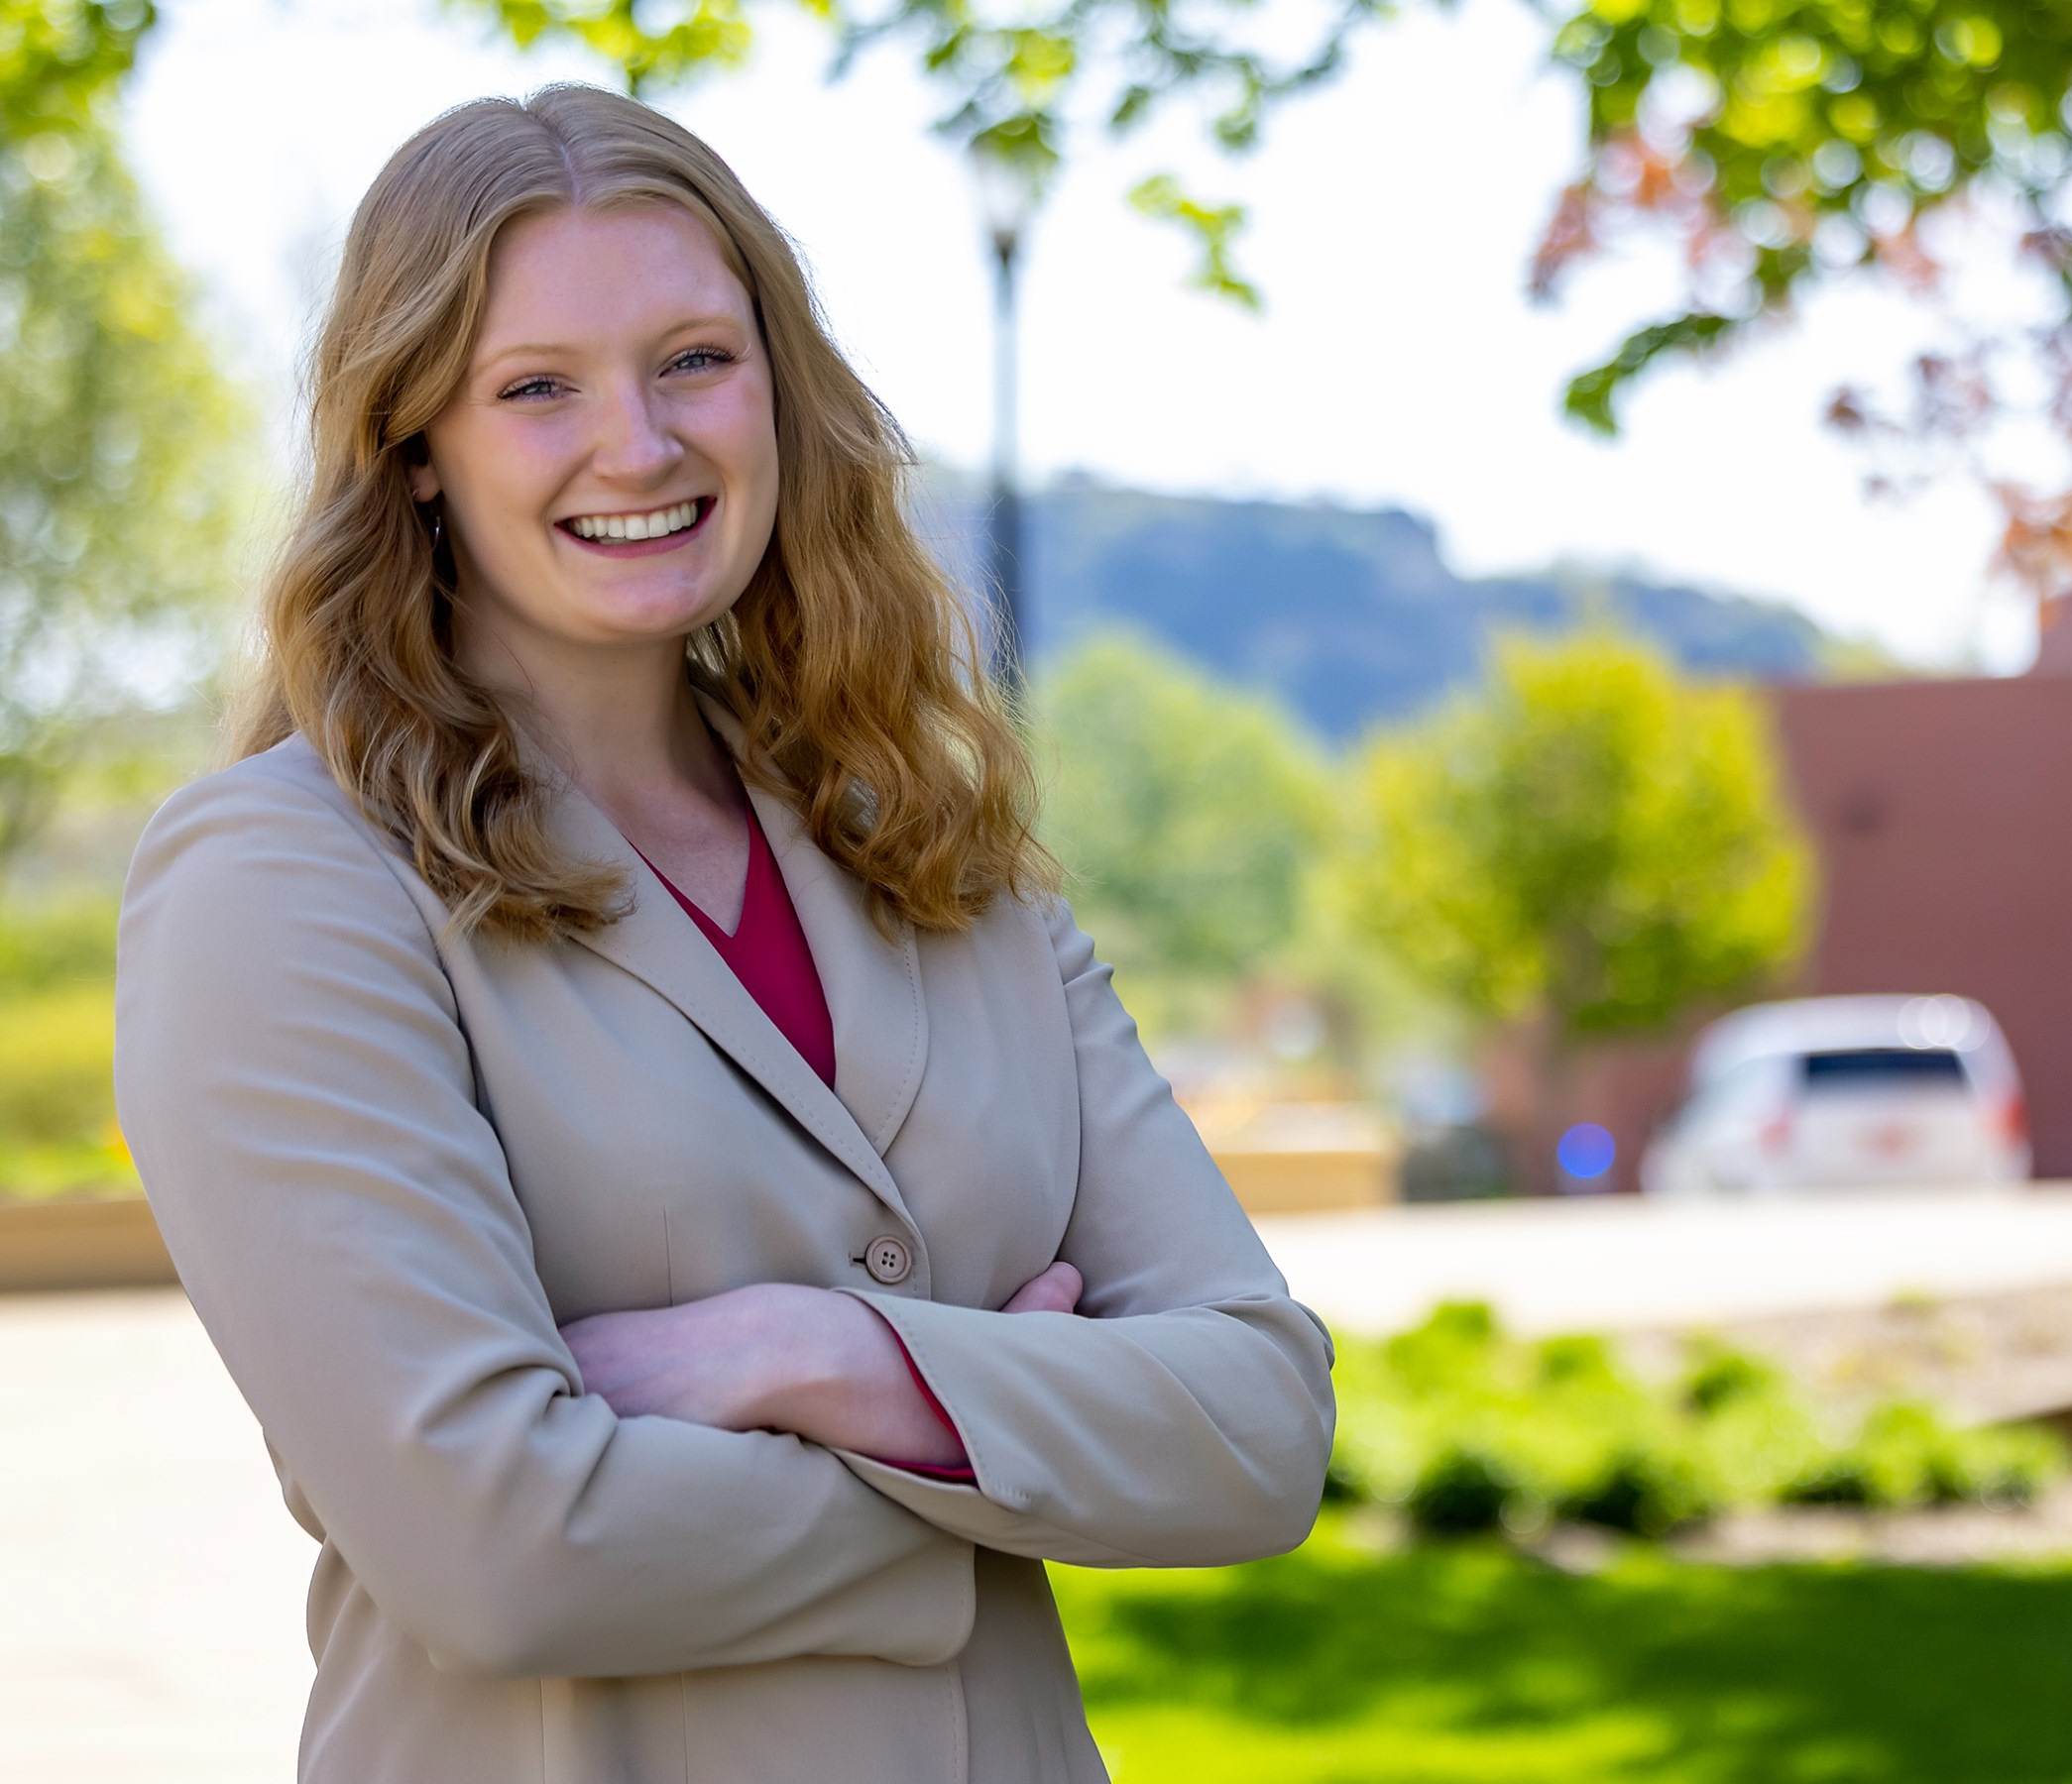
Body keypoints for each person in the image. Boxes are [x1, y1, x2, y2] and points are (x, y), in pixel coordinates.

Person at [111, 84, 1333, 1783]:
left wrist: (811, 1354)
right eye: (536, 388)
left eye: (694, 358)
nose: (641, 444)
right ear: (413, 451)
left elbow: (1261, 1428)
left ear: (781, 390)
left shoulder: (941, 846)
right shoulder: (282, 883)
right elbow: (505, 1552)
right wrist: (1006, 1440)